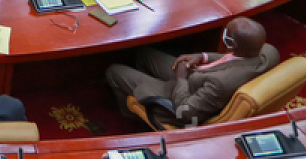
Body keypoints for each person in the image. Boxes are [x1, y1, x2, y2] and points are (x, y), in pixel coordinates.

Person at [105, 18, 276, 127]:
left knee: (114, 71)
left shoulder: (220, 84)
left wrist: (181, 79)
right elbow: (233, 57)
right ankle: (143, 82)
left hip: (182, 97)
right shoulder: (268, 52)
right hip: (199, 77)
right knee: (144, 54)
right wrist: (203, 56)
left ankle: (132, 118)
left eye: (226, 33)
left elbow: (186, 111)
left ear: (231, 44)